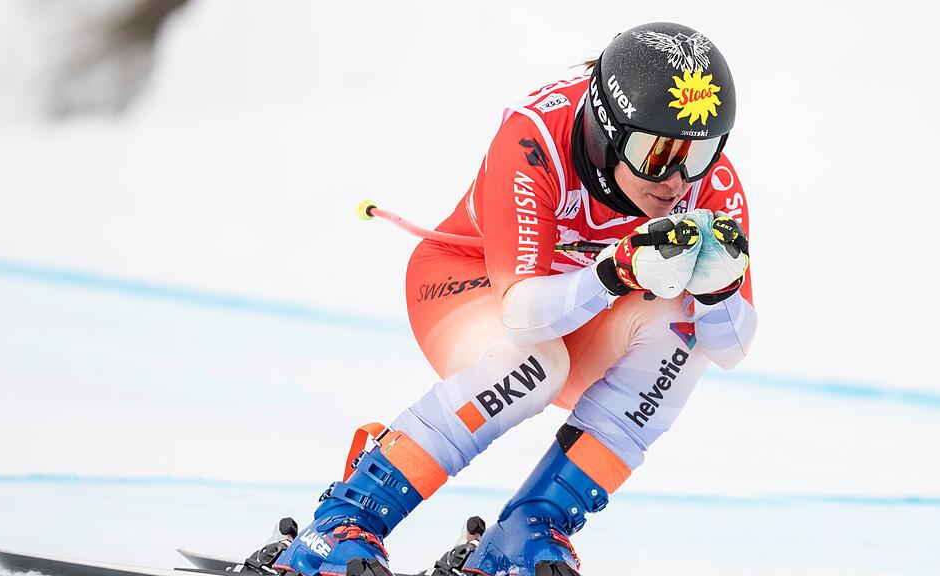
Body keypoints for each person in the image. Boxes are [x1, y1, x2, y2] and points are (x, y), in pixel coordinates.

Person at [267, 22, 756, 576]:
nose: (677, 181)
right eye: (656, 153)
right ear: (607, 130)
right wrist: (616, 271)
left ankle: (529, 530)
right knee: (536, 362)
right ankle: (347, 515)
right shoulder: (535, 138)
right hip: (468, 282)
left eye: (700, 152)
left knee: (683, 329)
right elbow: (521, 314)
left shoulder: (712, 182)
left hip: (578, 312)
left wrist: (719, 291)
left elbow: (730, 347)